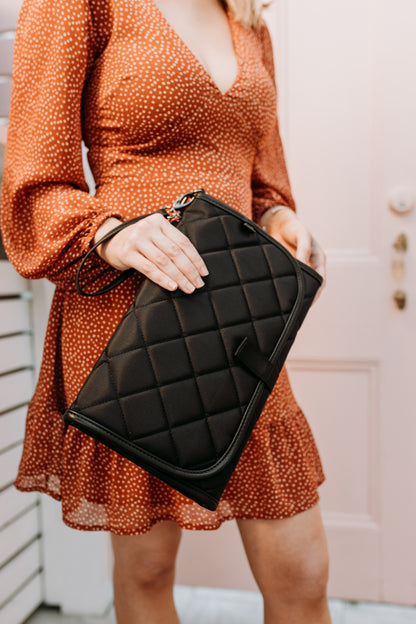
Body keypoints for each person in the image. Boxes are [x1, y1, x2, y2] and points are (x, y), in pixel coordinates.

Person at [0, 0, 331, 622]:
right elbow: (34, 179)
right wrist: (108, 233)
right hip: (132, 315)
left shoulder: (248, 19)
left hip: (235, 318)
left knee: (302, 574)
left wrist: (279, 217)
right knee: (147, 567)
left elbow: (263, 183)